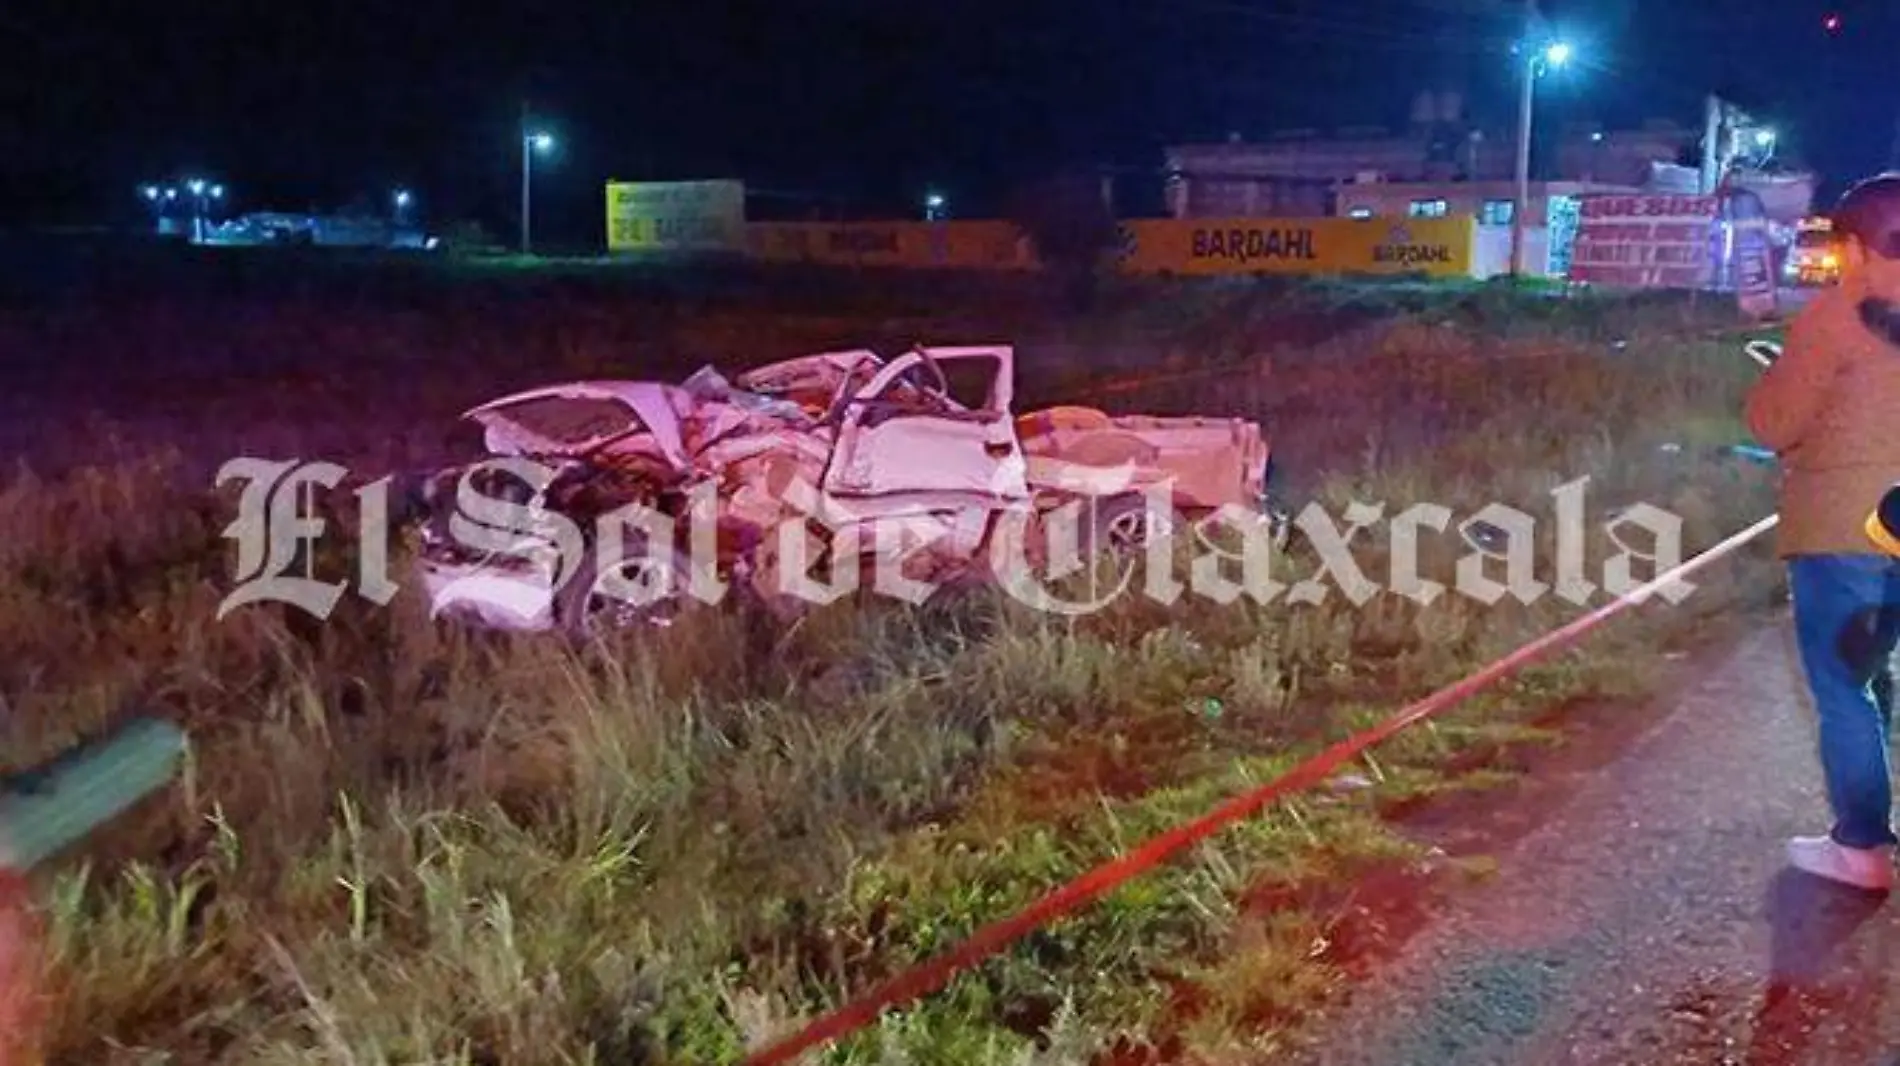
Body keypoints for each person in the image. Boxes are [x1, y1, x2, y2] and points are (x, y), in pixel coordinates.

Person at [1746, 173, 1900, 891]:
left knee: (1844, 689)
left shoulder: (1835, 317)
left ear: (1857, 246)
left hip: (1845, 528)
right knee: (1875, 674)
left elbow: (1774, 424)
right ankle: (1871, 819)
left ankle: (1861, 846)